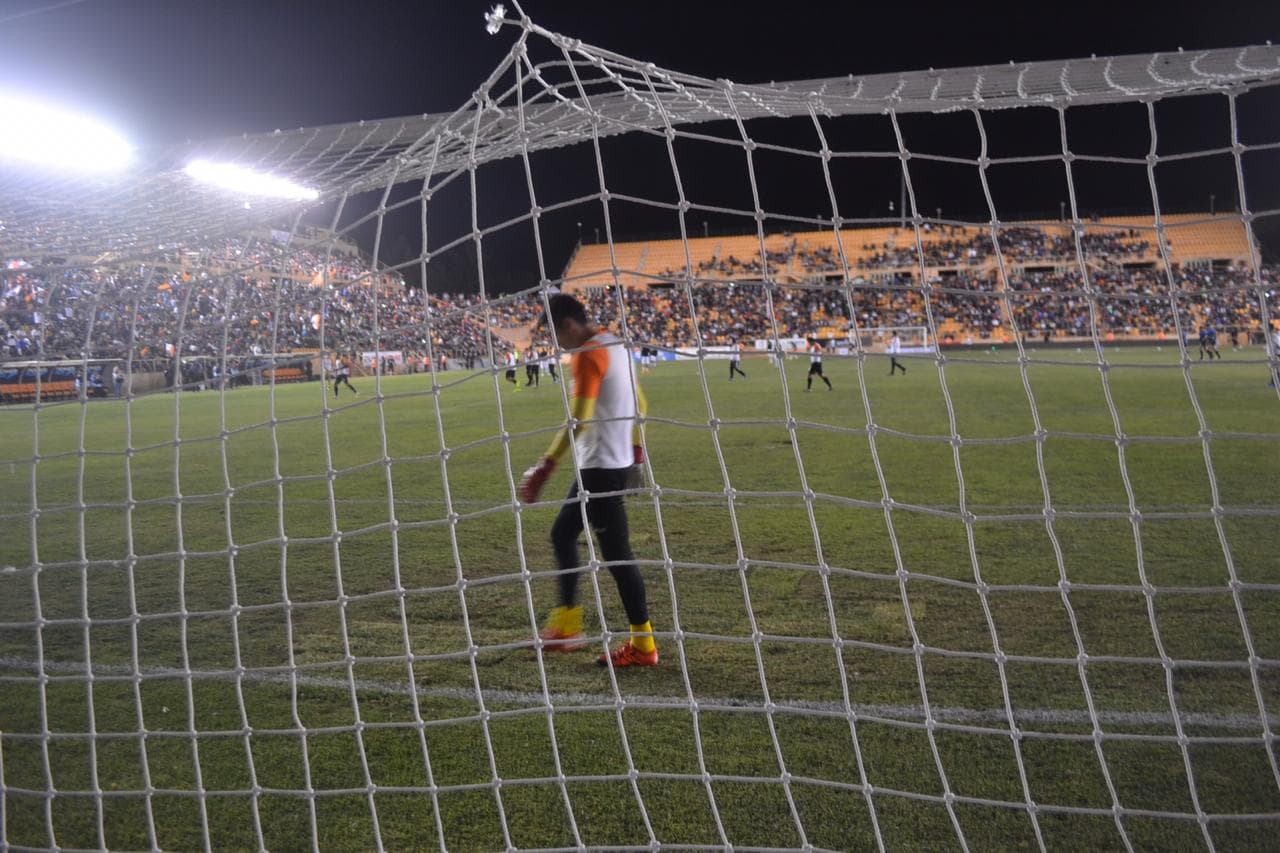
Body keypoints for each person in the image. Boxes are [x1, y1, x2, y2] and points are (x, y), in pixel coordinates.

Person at [519, 293, 656, 668]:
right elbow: (641, 404)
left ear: (568, 326)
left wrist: (544, 467)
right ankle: (567, 627)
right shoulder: (615, 344)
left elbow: (579, 420)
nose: (558, 346)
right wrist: (636, 450)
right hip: (609, 463)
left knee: (618, 556)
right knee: (563, 533)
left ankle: (643, 646)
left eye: (556, 336)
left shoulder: (586, 355)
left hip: (599, 468)